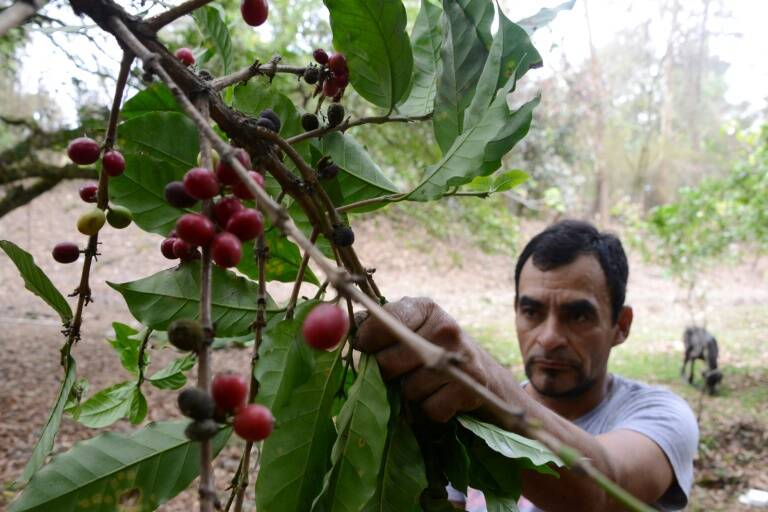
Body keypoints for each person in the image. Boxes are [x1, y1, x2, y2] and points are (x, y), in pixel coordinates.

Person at [356, 219, 699, 512]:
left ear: (621, 325)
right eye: (532, 312)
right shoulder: (468, 413)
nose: (549, 338)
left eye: (578, 315)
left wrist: (486, 386)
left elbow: (602, 489)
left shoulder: (663, 416)